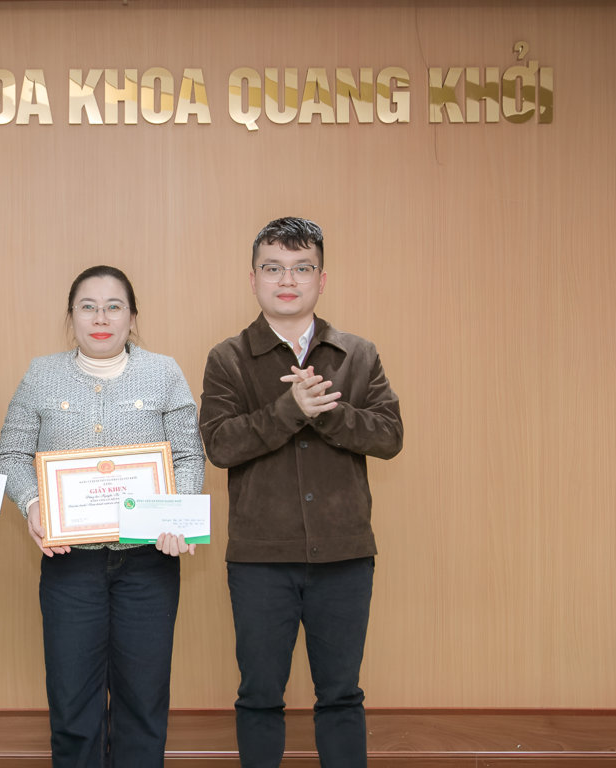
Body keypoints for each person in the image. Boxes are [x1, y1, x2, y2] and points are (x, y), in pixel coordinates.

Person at [199, 217, 403, 767]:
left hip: (345, 554)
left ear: (322, 279)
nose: (287, 280)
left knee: (342, 696)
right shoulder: (228, 358)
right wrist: (289, 410)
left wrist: (326, 413)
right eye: (273, 268)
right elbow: (219, 445)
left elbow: (389, 436)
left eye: (301, 268)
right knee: (259, 696)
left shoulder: (358, 354)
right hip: (260, 560)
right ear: (253, 279)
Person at [0, 265, 205, 768]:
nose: (101, 318)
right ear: (71, 317)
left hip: (149, 564)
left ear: (133, 316)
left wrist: (178, 515)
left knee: (143, 701)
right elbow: (10, 454)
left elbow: (189, 456)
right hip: (71, 564)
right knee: (72, 704)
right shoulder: (41, 374)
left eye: (114, 307)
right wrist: (33, 504)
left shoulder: (164, 372)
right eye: (88, 307)